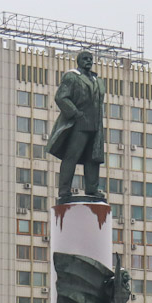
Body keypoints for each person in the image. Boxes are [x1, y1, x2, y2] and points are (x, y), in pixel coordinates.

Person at [46, 51, 106, 203]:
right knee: (71, 156)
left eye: (90, 59)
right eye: (85, 59)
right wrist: (75, 113)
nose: (88, 61)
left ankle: (92, 188)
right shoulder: (71, 76)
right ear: (79, 61)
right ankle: (64, 190)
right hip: (78, 124)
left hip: (95, 125)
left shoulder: (97, 80)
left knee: (93, 159)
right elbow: (61, 97)